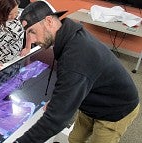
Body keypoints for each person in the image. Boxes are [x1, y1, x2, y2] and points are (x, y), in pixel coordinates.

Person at [14, 1, 140, 143]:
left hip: (115, 109)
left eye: (32, 31)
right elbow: (70, 80)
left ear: (49, 21)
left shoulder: (76, 57)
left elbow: (55, 120)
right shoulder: (69, 34)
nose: (32, 40)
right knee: (74, 139)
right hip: (90, 100)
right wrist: (61, 100)